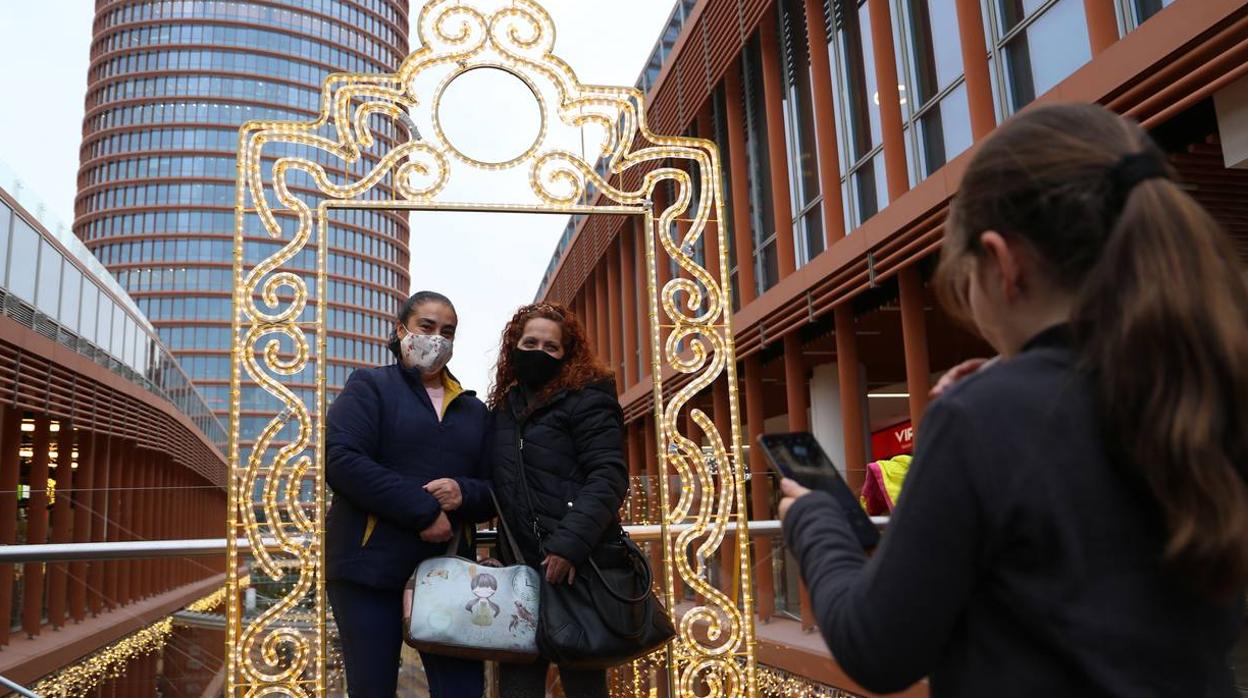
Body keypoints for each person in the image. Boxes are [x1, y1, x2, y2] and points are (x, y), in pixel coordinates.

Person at [780, 103, 1248, 697]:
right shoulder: (1212, 383)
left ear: (1004, 263)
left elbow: (877, 648)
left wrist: (814, 520)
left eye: (963, 278)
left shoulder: (981, 417)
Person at [325, 291, 495, 697]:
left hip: (450, 576)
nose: (437, 338)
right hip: (368, 572)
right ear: (402, 329)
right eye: (427, 326)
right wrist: (423, 511)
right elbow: (343, 461)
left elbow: (494, 490)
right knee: (372, 688)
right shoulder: (370, 387)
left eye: (448, 331)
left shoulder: (475, 412)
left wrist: (463, 493)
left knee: (463, 690)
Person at [486, 302, 628, 698]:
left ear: (568, 354)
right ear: (514, 347)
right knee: (517, 687)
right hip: (518, 577)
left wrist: (568, 546)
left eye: (551, 347)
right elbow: (496, 484)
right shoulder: (503, 410)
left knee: (584, 684)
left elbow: (609, 476)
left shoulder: (588, 399)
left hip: (574, 572)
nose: (539, 352)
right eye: (530, 342)